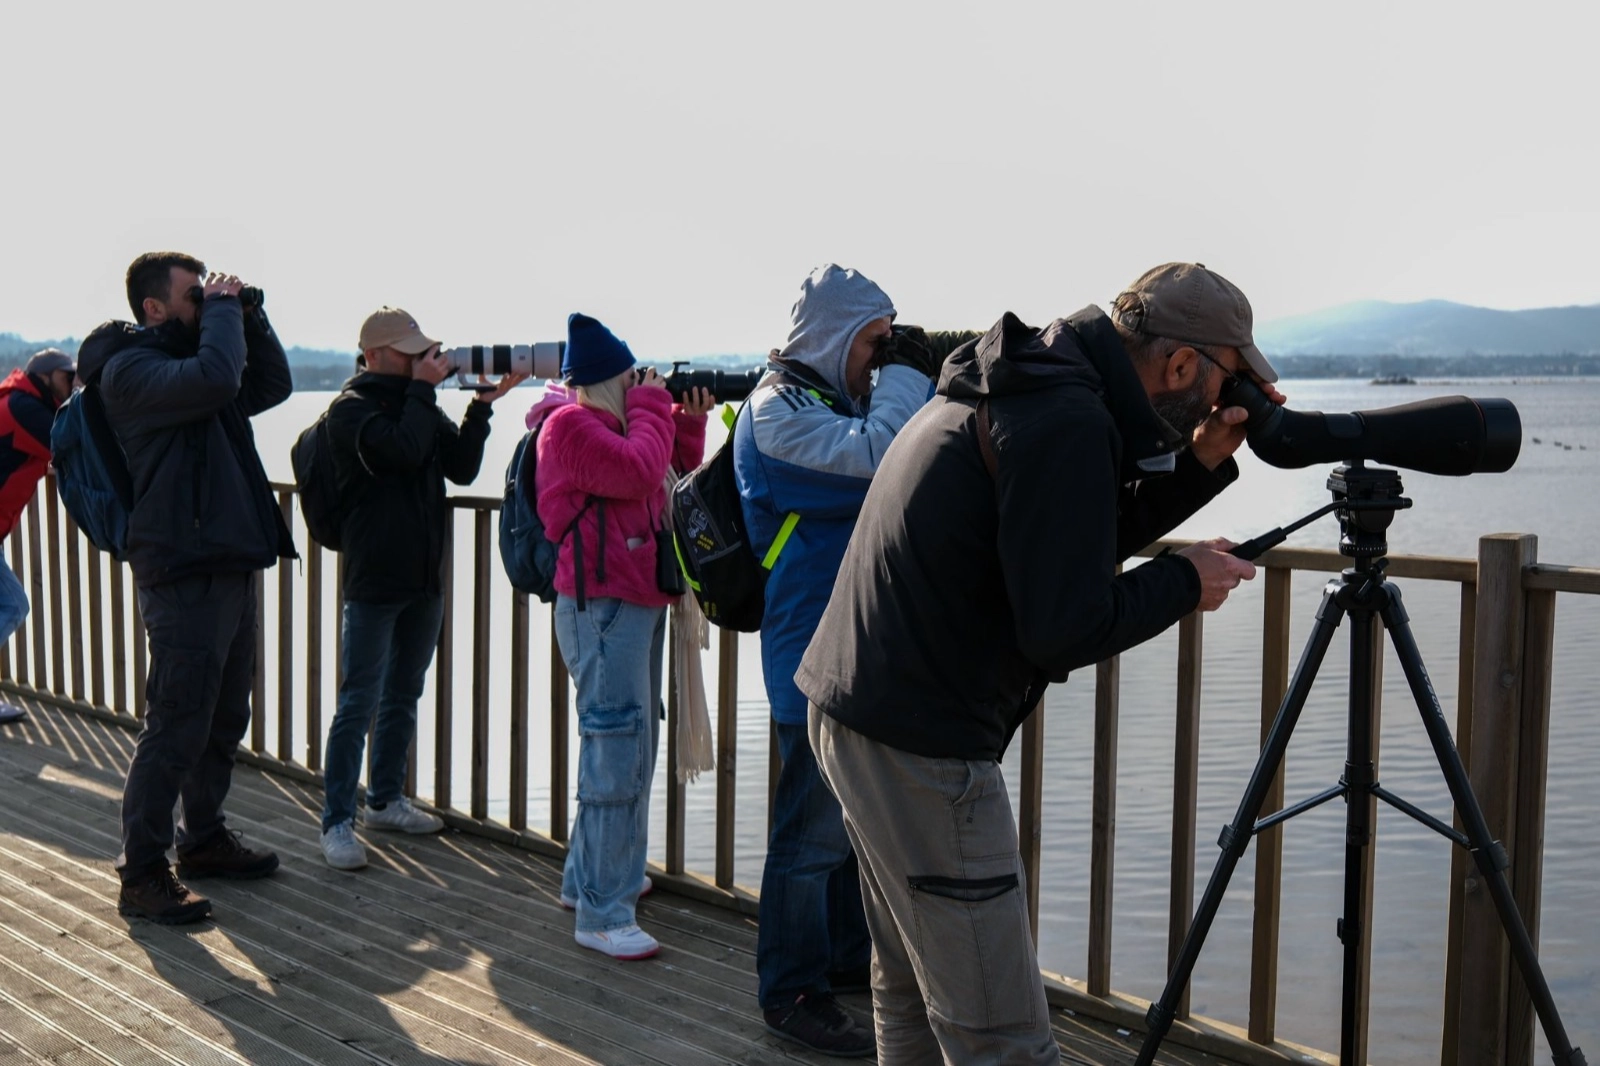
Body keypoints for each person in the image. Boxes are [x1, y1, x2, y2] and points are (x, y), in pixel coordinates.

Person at [797, 262, 1284, 1064]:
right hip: (922, 747)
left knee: (912, 994)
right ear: (1182, 365)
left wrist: (1196, 461)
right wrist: (1182, 581)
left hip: (859, 712)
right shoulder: (1065, 417)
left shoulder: (1033, 381)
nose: (1225, 397)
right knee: (1001, 1036)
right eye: (1230, 378)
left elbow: (1057, 541)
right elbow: (1065, 623)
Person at [734, 263, 940, 1057]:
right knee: (809, 836)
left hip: (850, 650)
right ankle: (790, 990)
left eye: (889, 343)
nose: (882, 357)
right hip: (807, 656)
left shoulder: (826, 400)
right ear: (834, 338)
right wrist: (906, 376)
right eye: (874, 343)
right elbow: (887, 456)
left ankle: (845, 960)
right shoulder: (779, 412)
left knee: (852, 826)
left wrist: (894, 373)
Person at [82, 251, 296, 925]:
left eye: (210, 293)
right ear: (153, 308)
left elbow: (271, 383)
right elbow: (216, 376)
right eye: (194, 294)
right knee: (176, 724)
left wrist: (248, 316)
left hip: (228, 562)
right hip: (182, 573)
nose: (206, 301)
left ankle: (202, 840)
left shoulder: (198, 366)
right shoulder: (133, 372)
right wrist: (225, 314)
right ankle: (142, 874)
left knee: (224, 717)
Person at [318, 308, 526, 870]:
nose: (424, 360)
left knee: (403, 694)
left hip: (424, 577)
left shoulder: (418, 404)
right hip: (374, 579)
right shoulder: (351, 412)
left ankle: (384, 800)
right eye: (412, 351)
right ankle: (337, 821)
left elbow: (458, 468)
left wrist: (480, 409)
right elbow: (402, 450)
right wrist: (424, 394)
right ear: (379, 354)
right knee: (357, 702)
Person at [534, 313, 713, 960]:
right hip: (602, 607)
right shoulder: (568, 426)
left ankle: (589, 882)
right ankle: (604, 913)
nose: (643, 385)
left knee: (627, 742)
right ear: (607, 380)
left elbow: (668, 477)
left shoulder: (612, 424)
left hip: (631, 601)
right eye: (630, 377)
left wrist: (684, 418)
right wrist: (649, 404)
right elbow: (637, 471)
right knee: (616, 750)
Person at [0, 349, 78, 724]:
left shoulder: (19, 403)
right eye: (68, 377)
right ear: (45, 377)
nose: (73, 384)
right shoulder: (24, 409)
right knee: (13, 606)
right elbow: (70, 447)